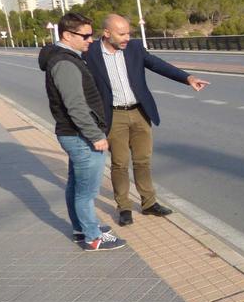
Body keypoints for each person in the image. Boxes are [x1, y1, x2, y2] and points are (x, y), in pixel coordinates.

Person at [85, 14, 209, 226]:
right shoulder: (91, 53)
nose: (127, 37)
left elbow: (157, 64)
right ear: (106, 33)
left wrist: (187, 78)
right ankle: (124, 206)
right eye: (121, 34)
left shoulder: (134, 48)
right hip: (114, 115)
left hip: (140, 112)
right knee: (120, 163)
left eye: (128, 33)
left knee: (143, 160)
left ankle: (149, 203)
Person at [38, 13, 126, 251]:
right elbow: (75, 105)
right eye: (85, 36)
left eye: (91, 35)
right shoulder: (65, 63)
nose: (90, 40)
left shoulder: (65, 58)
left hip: (74, 134)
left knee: (76, 186)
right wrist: (96, 136)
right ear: (67, 35)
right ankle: (92, 236)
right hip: (80, 136)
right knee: (86, 192)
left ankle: (81, 228)